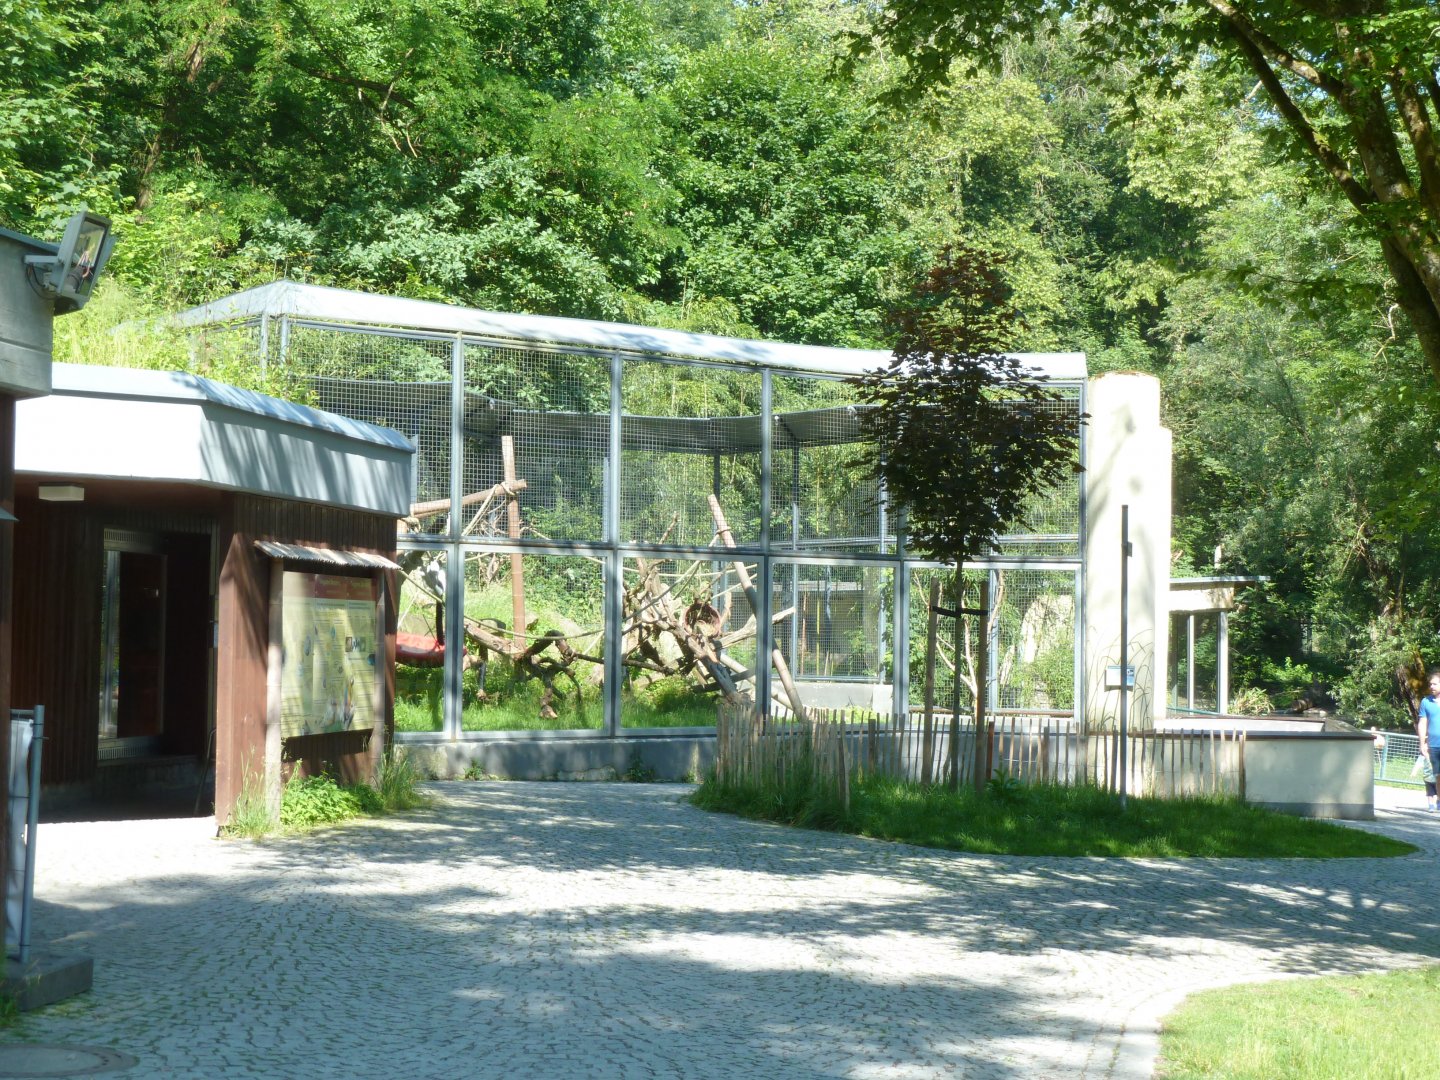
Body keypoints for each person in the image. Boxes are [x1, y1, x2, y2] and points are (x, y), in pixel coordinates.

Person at [1418, 670, 1440, 811]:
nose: (1432, 686)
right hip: (1434, 746)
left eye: (1435, 684)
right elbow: (1422, 723)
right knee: (1438, 775)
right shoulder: (1426, 702)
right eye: (1430, 684)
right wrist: (1422, 744)